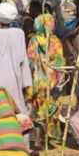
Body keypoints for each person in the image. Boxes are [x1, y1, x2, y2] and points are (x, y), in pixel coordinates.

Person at [0, 2, 33, 115]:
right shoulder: (19, 33)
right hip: (14, 80)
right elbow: (23, 61)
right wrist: (26, 83)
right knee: (16, 112)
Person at [26, 13, 65, 144]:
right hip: (52, 82)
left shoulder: (34, 40)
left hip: (37, 81)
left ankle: (37, 139)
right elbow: (60, 63)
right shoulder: (57, 42)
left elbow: (30, 61)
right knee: (49, 109)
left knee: (37, 108)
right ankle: (46, 137)